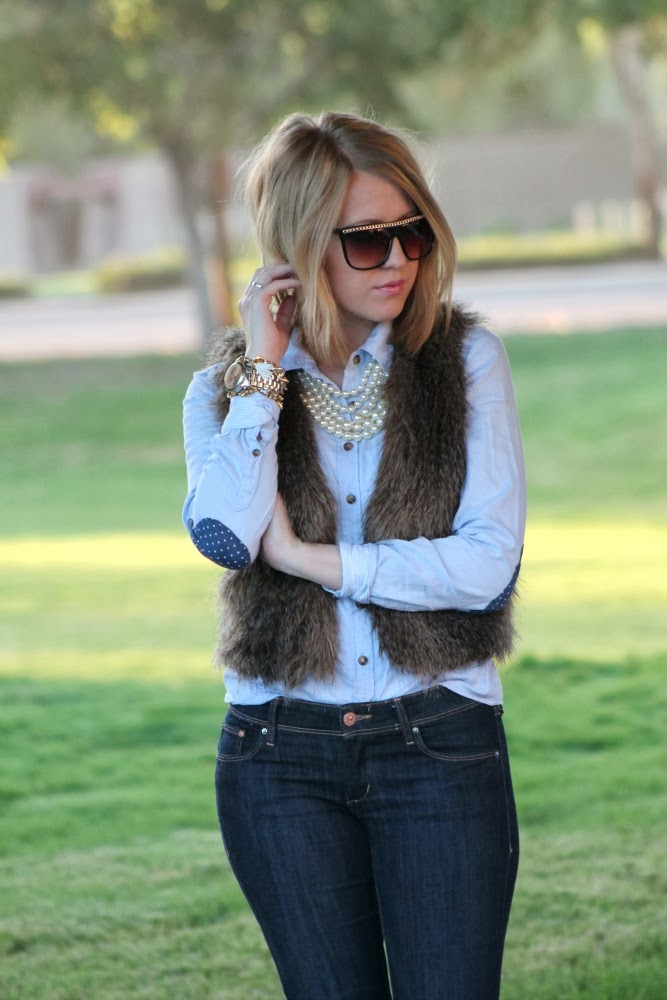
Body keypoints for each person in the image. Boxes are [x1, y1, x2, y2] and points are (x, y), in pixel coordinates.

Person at [182, 111, 525, 1000]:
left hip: (437, 739)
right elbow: (225, 537)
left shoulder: (465, 361)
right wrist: (263, 368)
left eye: (414, 232)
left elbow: (486, 564)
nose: (399, 259)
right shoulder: (223, 390)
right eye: (368, 241)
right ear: (301, 246)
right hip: (276, 754)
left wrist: (313, 560)